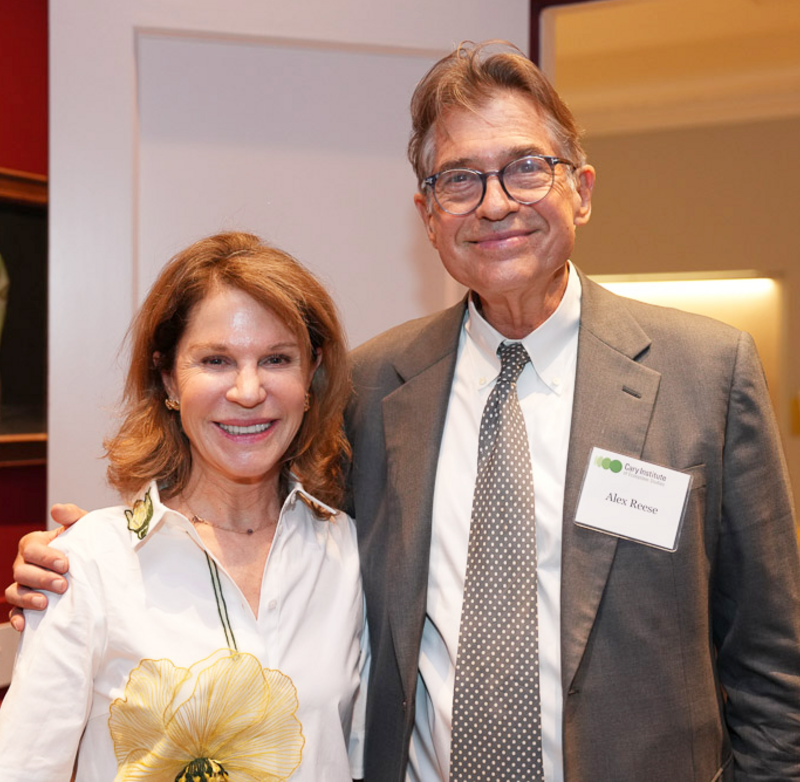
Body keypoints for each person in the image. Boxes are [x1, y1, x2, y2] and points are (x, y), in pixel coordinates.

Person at [8, 41, 800, 781]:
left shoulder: (705, 375)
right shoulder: (376, 387)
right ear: (427, 214)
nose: (495, 203)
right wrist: (91, 562)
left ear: (581, 191)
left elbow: (772, 669)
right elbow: (260, 512)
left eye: (526, 168)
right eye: (460, 180)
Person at [0, 231, 368, 781]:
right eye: (216, 360)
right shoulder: (89, 562)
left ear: (311, 374)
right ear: (169, 377)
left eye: (276, 359)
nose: (248, 391)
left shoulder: (348, 553)